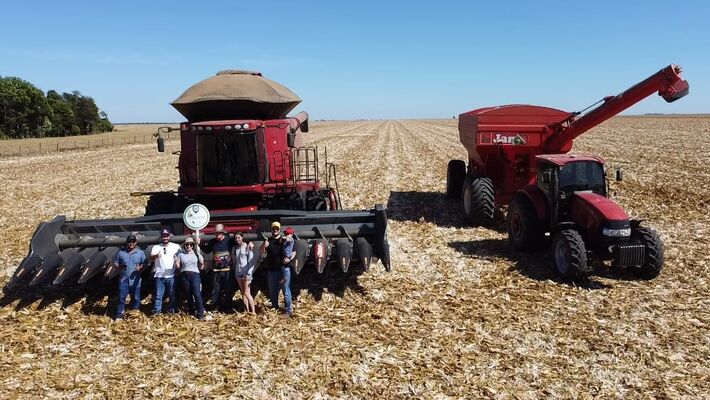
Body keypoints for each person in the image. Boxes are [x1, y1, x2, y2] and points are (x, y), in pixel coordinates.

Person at [113, 234, 146, 320]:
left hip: (136, 279)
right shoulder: (121, 252)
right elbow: (115, 263)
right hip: (123, 279)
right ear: (127, 242)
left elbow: (145, 263)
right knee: (121, 298)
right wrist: (118, 267)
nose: (131, 243)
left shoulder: (140, 253)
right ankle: (119, 315)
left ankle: (134, 315)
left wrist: (141, 268)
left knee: (136, 298)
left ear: (136, 243)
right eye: (129, 242)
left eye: (133, 242)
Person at [203, 223, 235, 311]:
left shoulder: (229, 240)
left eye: (219, 232)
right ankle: (216, 307)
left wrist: (249, 243)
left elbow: (239, 241)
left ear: (223, 232)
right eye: (216, 232)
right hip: (216, 270)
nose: (217, 234)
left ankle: (228, 307)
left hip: (227, 270)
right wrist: (199, 244)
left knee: (228, 289)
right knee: (215, 289)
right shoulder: (212, 242)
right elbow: (206, 251)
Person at [150, 228, 181, 315]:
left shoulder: (176, 246)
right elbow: (151, 259)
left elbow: (181, 256)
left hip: (171, 274)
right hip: (159, 275)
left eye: (166, 236)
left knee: (172, 294)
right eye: (163, 236)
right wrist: (156, 256)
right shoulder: (156, 247)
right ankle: (157, 310)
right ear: (161, 237)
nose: (165, 238)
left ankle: (172, 309)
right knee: (158, 295)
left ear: (169, 236)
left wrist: (178, 266)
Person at [175, 236, 206, 320]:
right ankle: (191, 311)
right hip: (185, 275)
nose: (188, 246)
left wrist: (202, 264)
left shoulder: (196, 253)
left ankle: (200, 313)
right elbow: (178, 264)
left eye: (190, 245)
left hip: (195, 274)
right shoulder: (180, 254)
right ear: (184, 246)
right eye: (187, 245)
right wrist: (177, 264)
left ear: (193, 245)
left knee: (197, 294)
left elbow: (201, 264)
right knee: (188, 294)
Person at [233, 232, 257, 314]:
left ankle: (253, 311)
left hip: (246, 273)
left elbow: (251, 260)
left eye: (239, 237)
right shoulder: (236, 248)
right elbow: (235, 261)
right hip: (238, 273)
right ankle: (246, 310)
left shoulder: (247, 246)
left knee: (247, 293)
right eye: (236, 238)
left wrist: (249, 273)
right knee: (243, 293)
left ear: (242, 237)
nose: (237, 239)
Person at [263, 221, 284, 311]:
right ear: (271, 230)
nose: (275, 230)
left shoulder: (283, 240)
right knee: (272, 290)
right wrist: (264, 246)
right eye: (273, 228)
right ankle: (275, 307)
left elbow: (291, 250)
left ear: (279, 230)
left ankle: (287, 307)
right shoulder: (268, 240)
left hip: (281, 268)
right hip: (271, 268)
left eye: (277, 229)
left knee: (283, 289)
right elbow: (262, 252)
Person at [280, 227, 297, 317]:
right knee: (285, 288)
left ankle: (288, 310)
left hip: (286, 267)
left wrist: (284, 238)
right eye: (286, 233)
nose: (286, 235)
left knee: (286, 290)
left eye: (288, 233)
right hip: (283, 266)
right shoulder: (287, 241)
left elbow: (289, 239)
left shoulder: (290, 240)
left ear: (292, 234)